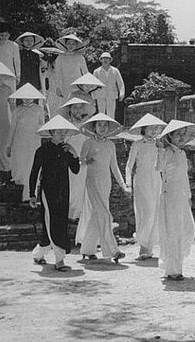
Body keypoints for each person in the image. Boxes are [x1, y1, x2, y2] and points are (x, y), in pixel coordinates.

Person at [76, 113, 130, 263]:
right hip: (92, 182)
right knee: (105, 216)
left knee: (97, 216)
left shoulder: (110, 145)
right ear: (94, 127)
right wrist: (86, 160)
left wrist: (123, 185)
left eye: (105, 125)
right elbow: (79, 163)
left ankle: (87, 249)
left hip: (106, 183)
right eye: (99, 125)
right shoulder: (88, 143)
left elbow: (114, 167)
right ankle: (113, 251)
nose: (102, 128)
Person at [29, 115, 81, 271]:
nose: (63, 134)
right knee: (52, 222)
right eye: (59, 131)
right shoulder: (42, 150)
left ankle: (38, 253)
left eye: (65, 131)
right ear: (51, 132)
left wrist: (74, 153)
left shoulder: (66, 150)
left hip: (63, 191)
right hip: (48, 191)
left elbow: (76, 170)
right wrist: (32, 194)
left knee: (57, 223)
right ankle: (59, 259)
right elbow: (34, 173)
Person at [156, 120, 195, 280]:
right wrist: (160, 151)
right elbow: (158, 168)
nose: (181, 138)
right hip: (169, 195)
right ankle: (173, 270)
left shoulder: (182, 154)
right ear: (170, 136)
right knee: (172, 231)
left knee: (187, 229)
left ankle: (175, 265)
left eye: (184, 135)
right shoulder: (166, 152)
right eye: (178, 134)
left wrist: (188, 197)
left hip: (181, 196)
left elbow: (184, 178)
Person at [126, 113, 167, 260]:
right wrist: (128, 184)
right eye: (151, 127)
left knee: (155, 213)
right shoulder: (137, 145)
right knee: (146, 212)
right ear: (144, 129)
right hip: (141, 181)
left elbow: (160, 168)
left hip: (156, 181)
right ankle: (142, 245)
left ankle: (148, 249)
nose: (154, 130)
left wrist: (161, 151)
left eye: (157, 128)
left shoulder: (159, 145)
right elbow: (129, 166)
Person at [7, 83, 46, 200]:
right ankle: (24, 193)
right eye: (25, 96)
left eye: (30, 96)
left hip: (33, 140)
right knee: (22, 165)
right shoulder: (17, 110)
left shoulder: (39, 109)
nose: (28, 99)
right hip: (20, 141)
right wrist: (9, 145)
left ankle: (30, 194)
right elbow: (12, 128)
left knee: (32, 165)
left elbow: (42, 126)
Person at [59, 97, 91, 220]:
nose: (78, 110)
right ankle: (71, 214)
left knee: (82, 187)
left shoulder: (87, 124)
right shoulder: (65, 124)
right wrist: (70, 150)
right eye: (75, 107)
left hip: (84, 160)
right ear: (70, 109)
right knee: (72, 187)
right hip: (70, 161)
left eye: (80, 107)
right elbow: (62, 141)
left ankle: (80, 215)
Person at [53, 34, 88, 106]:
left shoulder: (80, 57)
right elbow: (57, 73)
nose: (71, 46)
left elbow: (85, 72)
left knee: (78, 106)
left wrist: (86, 86)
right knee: (66, 106)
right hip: (65, 86)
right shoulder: (60, 57)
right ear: (65, 44)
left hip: (78, 86)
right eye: (68, 43)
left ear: (76, 45)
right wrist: (58, 87)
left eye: (73, 44)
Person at [0, 22, 20, 92]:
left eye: (6, 35)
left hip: (9, 72)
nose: (4, 37)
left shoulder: (14, 45)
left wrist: (18, 75)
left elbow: (17, 62)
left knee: (10, 94)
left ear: (9, 35)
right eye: (1, 35)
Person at [93, 52, 125, 118]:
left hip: (111, 95)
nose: (105, 60)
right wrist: (93, 97)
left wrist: (122, 93)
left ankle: (111, 127)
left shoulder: (115, 71)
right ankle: (102, 127)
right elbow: (93, 85)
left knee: (111, 114)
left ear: (110, 60)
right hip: (100, 95)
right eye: (103, 58)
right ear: (101, 60)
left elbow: (120, 83)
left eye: (107, 58)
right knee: (101, 113)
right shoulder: (96, 72)